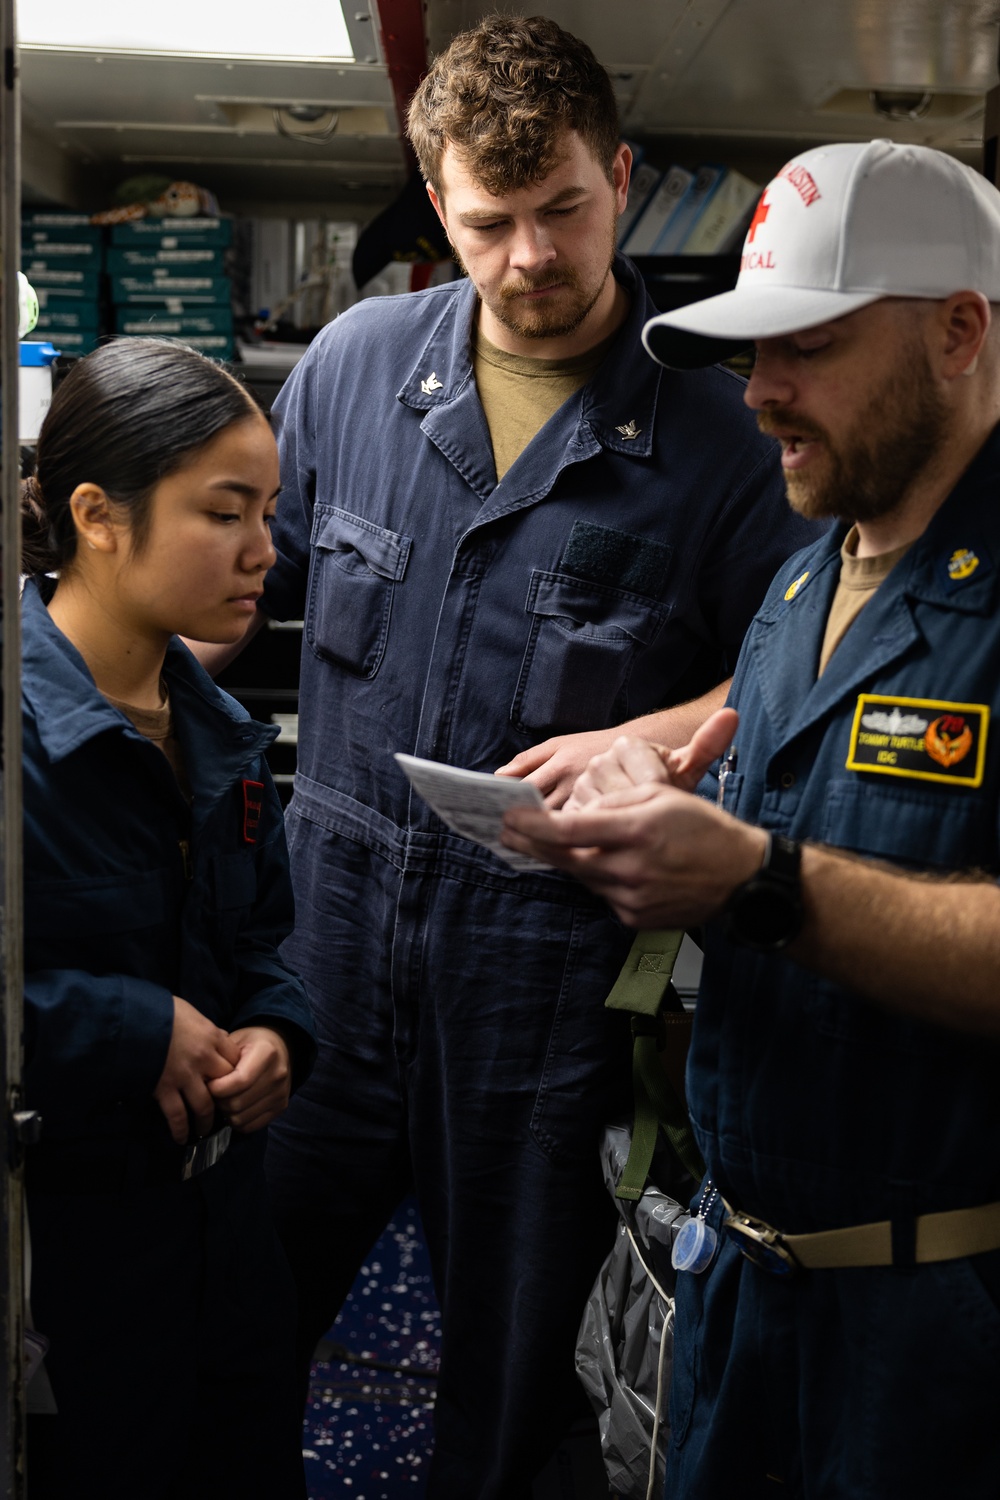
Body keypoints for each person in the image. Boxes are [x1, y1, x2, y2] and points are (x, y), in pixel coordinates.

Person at [197, 16, 819, 1495]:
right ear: (437, 209)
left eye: (566, 211)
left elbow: (799, 671)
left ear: (620, 177)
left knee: (514, 1386)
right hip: (324, 958)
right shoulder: (351, 366)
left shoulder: (728, 432)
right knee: (229, 1333)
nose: (532, 255)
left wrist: (651, 736)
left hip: (542, 988)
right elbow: (231, 602)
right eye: (491, 222)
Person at [502, 138, 1000, 1497]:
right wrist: (665, 810)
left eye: (808, 349)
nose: (761, 394)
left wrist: (758, 880)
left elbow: (790, 880)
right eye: (748, 353)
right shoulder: (798, 590)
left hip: (941, 1340)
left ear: (959, 331)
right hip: (745, 1295)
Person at [21, 338, 317, 1500]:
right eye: (224, 513)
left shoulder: (221, 739)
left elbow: (261, 952)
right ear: (99, 515)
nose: (264, 551)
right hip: (69, 1274)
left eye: (270, 511)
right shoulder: (20, 750)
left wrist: (278, 1037)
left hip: (227, 1250)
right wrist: (127, 1025)